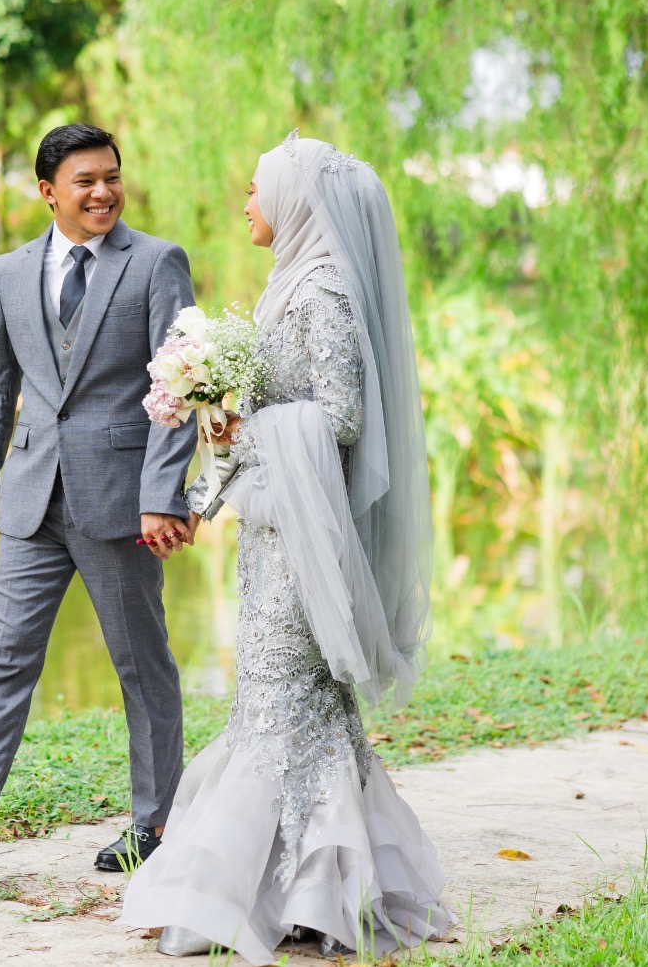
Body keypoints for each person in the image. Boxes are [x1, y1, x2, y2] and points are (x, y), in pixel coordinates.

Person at [116, 132, 451, 963]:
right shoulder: (290, 282)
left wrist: (243, 424)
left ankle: (256, 895)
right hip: (273, 531)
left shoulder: (325, 290)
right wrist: (200, 496)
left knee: (279, 700)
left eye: (256, 189)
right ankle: (315, 891)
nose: (246, 203)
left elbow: (339, 418)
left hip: (305, 538)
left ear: (295, 201)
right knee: (291, 704)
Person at [0, 124, 198, 879]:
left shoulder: (156, 262)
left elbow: (180, 387)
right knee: (3, 663)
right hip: (31, 501)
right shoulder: (9, 271)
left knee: (141, 665)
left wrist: (161, 495)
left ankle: (155, 828)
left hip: (122, 504)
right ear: (47, 191)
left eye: (111, 177)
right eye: (85, 181)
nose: (103, 192)